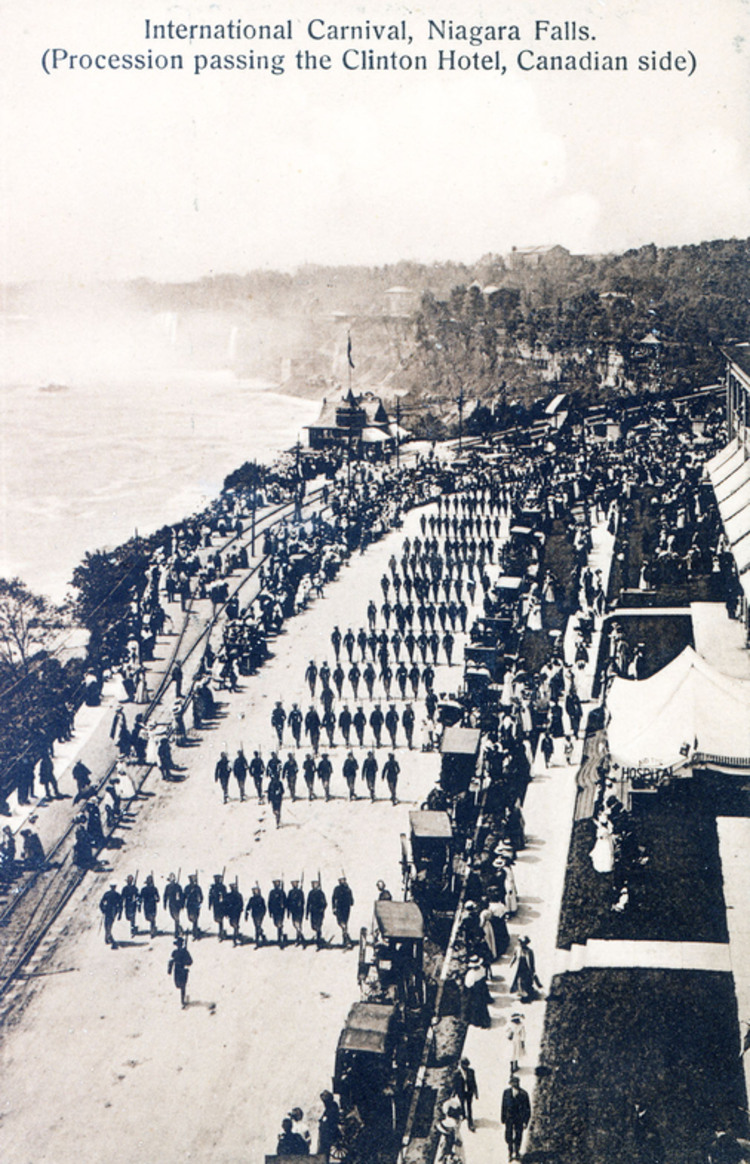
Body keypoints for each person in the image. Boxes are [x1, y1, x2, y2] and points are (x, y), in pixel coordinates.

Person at [500, 1076, 530, 1162]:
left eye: (516, 1082)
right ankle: (510, 1152)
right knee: (508, 1135)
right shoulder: (506, 1093)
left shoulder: (524, 1094)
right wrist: (503, 1117)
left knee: (518, 1135)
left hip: (519, 1118)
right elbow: (503, 1106)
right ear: (510, 1084)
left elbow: (527, 1109)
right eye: (513, 1083)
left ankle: (517, 1152)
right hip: (509, 1118)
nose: (515, 1084)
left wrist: (526, 1121)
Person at [509, 935, 542, 1003]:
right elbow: (515, 956)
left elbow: (532, 962)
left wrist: (533, 970)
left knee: (526, 981)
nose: (520, 944)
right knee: (519, 981)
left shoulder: (529, 951)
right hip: (519, 968)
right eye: (520, 942)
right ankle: (522, 993)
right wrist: (511, 963)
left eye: (522, 943)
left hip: (526, 969)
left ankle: (527, 994)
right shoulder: (518, 949)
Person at [464, 954, 492, 1028]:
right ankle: (484, 1020)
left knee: (475, 1006)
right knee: (482, 1005)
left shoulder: (471, 974)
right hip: (482, 990)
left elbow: (468, 984)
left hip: (475, 992)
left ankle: (477, 1021)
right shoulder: (482, 969)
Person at [453, 1057, 479, 1132]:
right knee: (462, 1105)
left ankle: (470, 1123)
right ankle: (463, 1116)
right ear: (461, 1065)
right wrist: (454, 1093)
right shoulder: (457, 1073)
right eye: (464, 1065)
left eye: (467, 1065)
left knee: (469, 1107)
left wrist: (476, 1093)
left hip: (469, 1092)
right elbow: (455, 1084)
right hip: (461, 1092)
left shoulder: (471, 1071)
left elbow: (474, 1082)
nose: (466, 1067)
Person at [167, 936, 193, 1007]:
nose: (179, 946)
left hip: (183, 970)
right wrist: (169, 969)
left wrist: (185, 962)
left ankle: (182, 1000)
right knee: (177, 985)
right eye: (178, 945)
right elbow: (171, 961)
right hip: (177, 970)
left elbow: (190, 961)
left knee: (182, 986)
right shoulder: (175, 952)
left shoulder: (185, 952)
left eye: (180, 944)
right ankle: (183, 999)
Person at [317, 1091, 341, 1161]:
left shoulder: (332, 1107)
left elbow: (330, 1120)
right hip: (326, 1132)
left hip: (329, 1132)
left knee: (325, 1149)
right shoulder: (329, 1108)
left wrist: (323, 1121)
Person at [332, 876, 354, 948]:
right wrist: (333, 908)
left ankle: (345, 938)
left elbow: (351, 900)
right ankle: (346, 936)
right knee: (340, 922)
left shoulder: (348, 889)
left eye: (342, 880)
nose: (341, 881)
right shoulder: (337, 889)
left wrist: (351, 902)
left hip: (346, 908)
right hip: (339, 907)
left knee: (344, 922)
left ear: (345, 880)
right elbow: (333, 898)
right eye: (340, 880)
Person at [306, 880, 327, 949]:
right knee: (313, 926)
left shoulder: (321, 893)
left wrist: (322, 909)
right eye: (313, 884)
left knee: (318, 925)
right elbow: (308, 903)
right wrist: (307, 914)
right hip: (313, 912)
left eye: (315, 884)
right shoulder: (311, 893)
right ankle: (318, 935)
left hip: (319, 912)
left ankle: (318, 939)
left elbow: (325, 903)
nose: (314, 885)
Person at [100, 883, 122, 947]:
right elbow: (120, 905)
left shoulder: (107, 894)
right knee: (109, 923)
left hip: (109, 910)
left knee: (107, 923)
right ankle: (108, 936)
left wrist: (103, 909)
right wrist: (119, 913)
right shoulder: (117, 895)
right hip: (112, 910)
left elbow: (101, 903)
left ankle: (107, 936)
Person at [224, 880, 244, 945]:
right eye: (232, 888)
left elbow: (241, 903)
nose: (233, 889)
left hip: (237, 912)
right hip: (231, 912)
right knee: (232, 923)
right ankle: (236, 931)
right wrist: (226, 912)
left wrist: (239, 908)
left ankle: (234, 938)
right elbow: (226, 904)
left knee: (235, 923)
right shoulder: (228, 895)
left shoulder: (238, 895)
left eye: (234, 887)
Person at [164, 873, 184, 937]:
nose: (172, 881)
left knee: (176, 918)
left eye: (173, 880)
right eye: (171, 880)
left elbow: (182, 896)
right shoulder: (167, 887)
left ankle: (176, 932)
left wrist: (182, 904)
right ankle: (179, 928)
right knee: (173, 916)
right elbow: (165, 896)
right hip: (171, 904)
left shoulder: (178, 887)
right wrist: (165, 904)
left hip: (177, 904)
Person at [184, 874, 204, 939]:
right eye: (190, 880)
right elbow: (184, 896)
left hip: (195, 904)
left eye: (192, 880)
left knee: (195, 918)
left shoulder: (197, 888)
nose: (191, 881)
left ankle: (195, 932)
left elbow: (201, 896)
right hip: (189, 905)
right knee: (190, 918)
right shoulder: (187, 887)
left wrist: (200, 902)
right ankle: (195, 929)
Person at [208, 873, 227, 939]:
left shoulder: (223, 887)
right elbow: (210, 896)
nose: (216, 880)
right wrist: (210, 904)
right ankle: (220, 930)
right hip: (215, 904)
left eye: (217, 879)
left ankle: (221, 931)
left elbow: (225, 896)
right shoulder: (213, 887)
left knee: (220, 917)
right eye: (215, 879)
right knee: (216, 918)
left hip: (221, 905)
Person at [268, 880, 287, 945]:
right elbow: (269, 902)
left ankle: (280, 939)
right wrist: (270, 912)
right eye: (275, 883)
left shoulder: (282, 892)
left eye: (278, 883)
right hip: (274, 911)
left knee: (279, 924)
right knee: (276, 924)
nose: (276, 885)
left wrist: (284, 907)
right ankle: (282, 935)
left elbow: (286, 901)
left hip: (280, 911)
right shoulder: (272, 892)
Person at [287, 879, 305, 945]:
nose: (294, 884)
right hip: (293, 911)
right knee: (295, 924)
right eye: (293, 883)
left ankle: (298, 939)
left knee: (298, 924)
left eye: (295, 883)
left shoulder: (300, 892)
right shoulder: (290, 892)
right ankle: (301, 937)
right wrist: (288, 912)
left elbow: (303, 901)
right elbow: (288, 902)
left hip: (299, 910)